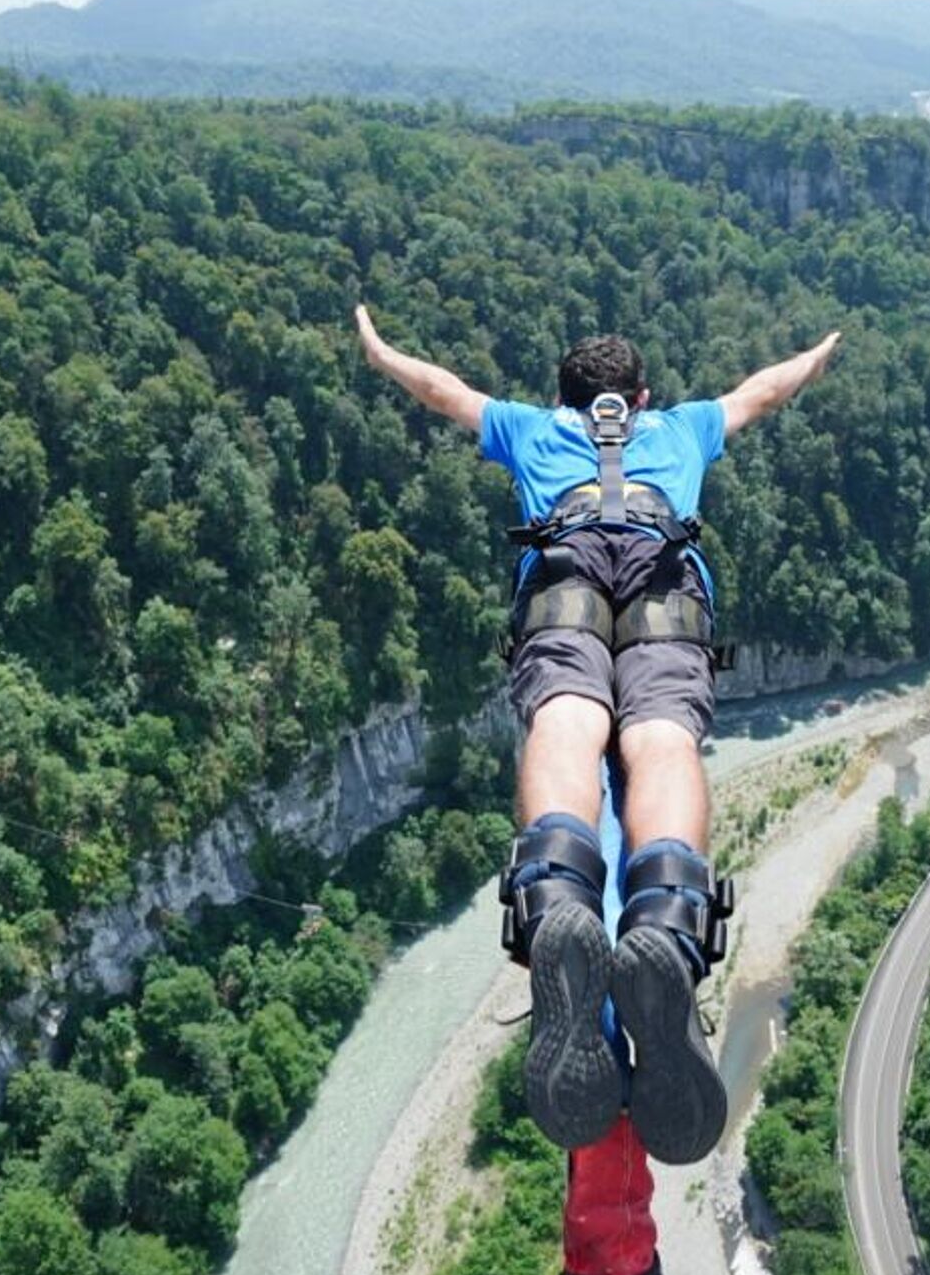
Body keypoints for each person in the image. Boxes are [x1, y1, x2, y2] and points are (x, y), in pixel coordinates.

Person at [354, 307, 840, 1164]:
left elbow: (444, 392)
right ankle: (663, 917)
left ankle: (561, 903)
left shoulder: (528, 429)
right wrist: (818, 353)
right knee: (659, 738)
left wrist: (380, 350)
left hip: (563, 582)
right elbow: (763, 392)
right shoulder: (682, 427)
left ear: (564, 398)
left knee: (568, 720)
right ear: (640, 397)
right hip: (662, 583)